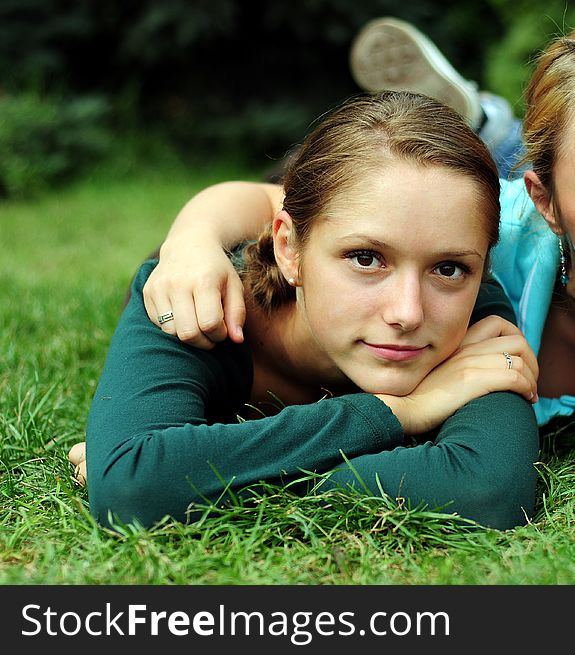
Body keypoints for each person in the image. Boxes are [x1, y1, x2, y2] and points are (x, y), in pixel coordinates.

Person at [126, 16, 575, 508]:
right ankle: (477, 123)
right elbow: (290, 208)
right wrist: (190, 237)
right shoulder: (493, 239)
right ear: (547, 203)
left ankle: (479, 122)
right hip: (501, 191)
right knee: (451, 181)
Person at [70, 90, 541, 531]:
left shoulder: (478, 312)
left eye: (449, 268)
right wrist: (402, 412)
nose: (408, 313)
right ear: (288, 250)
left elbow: (486, 488)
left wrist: (193, 476)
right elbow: (132, 487)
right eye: (366, 259)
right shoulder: (192, 303)